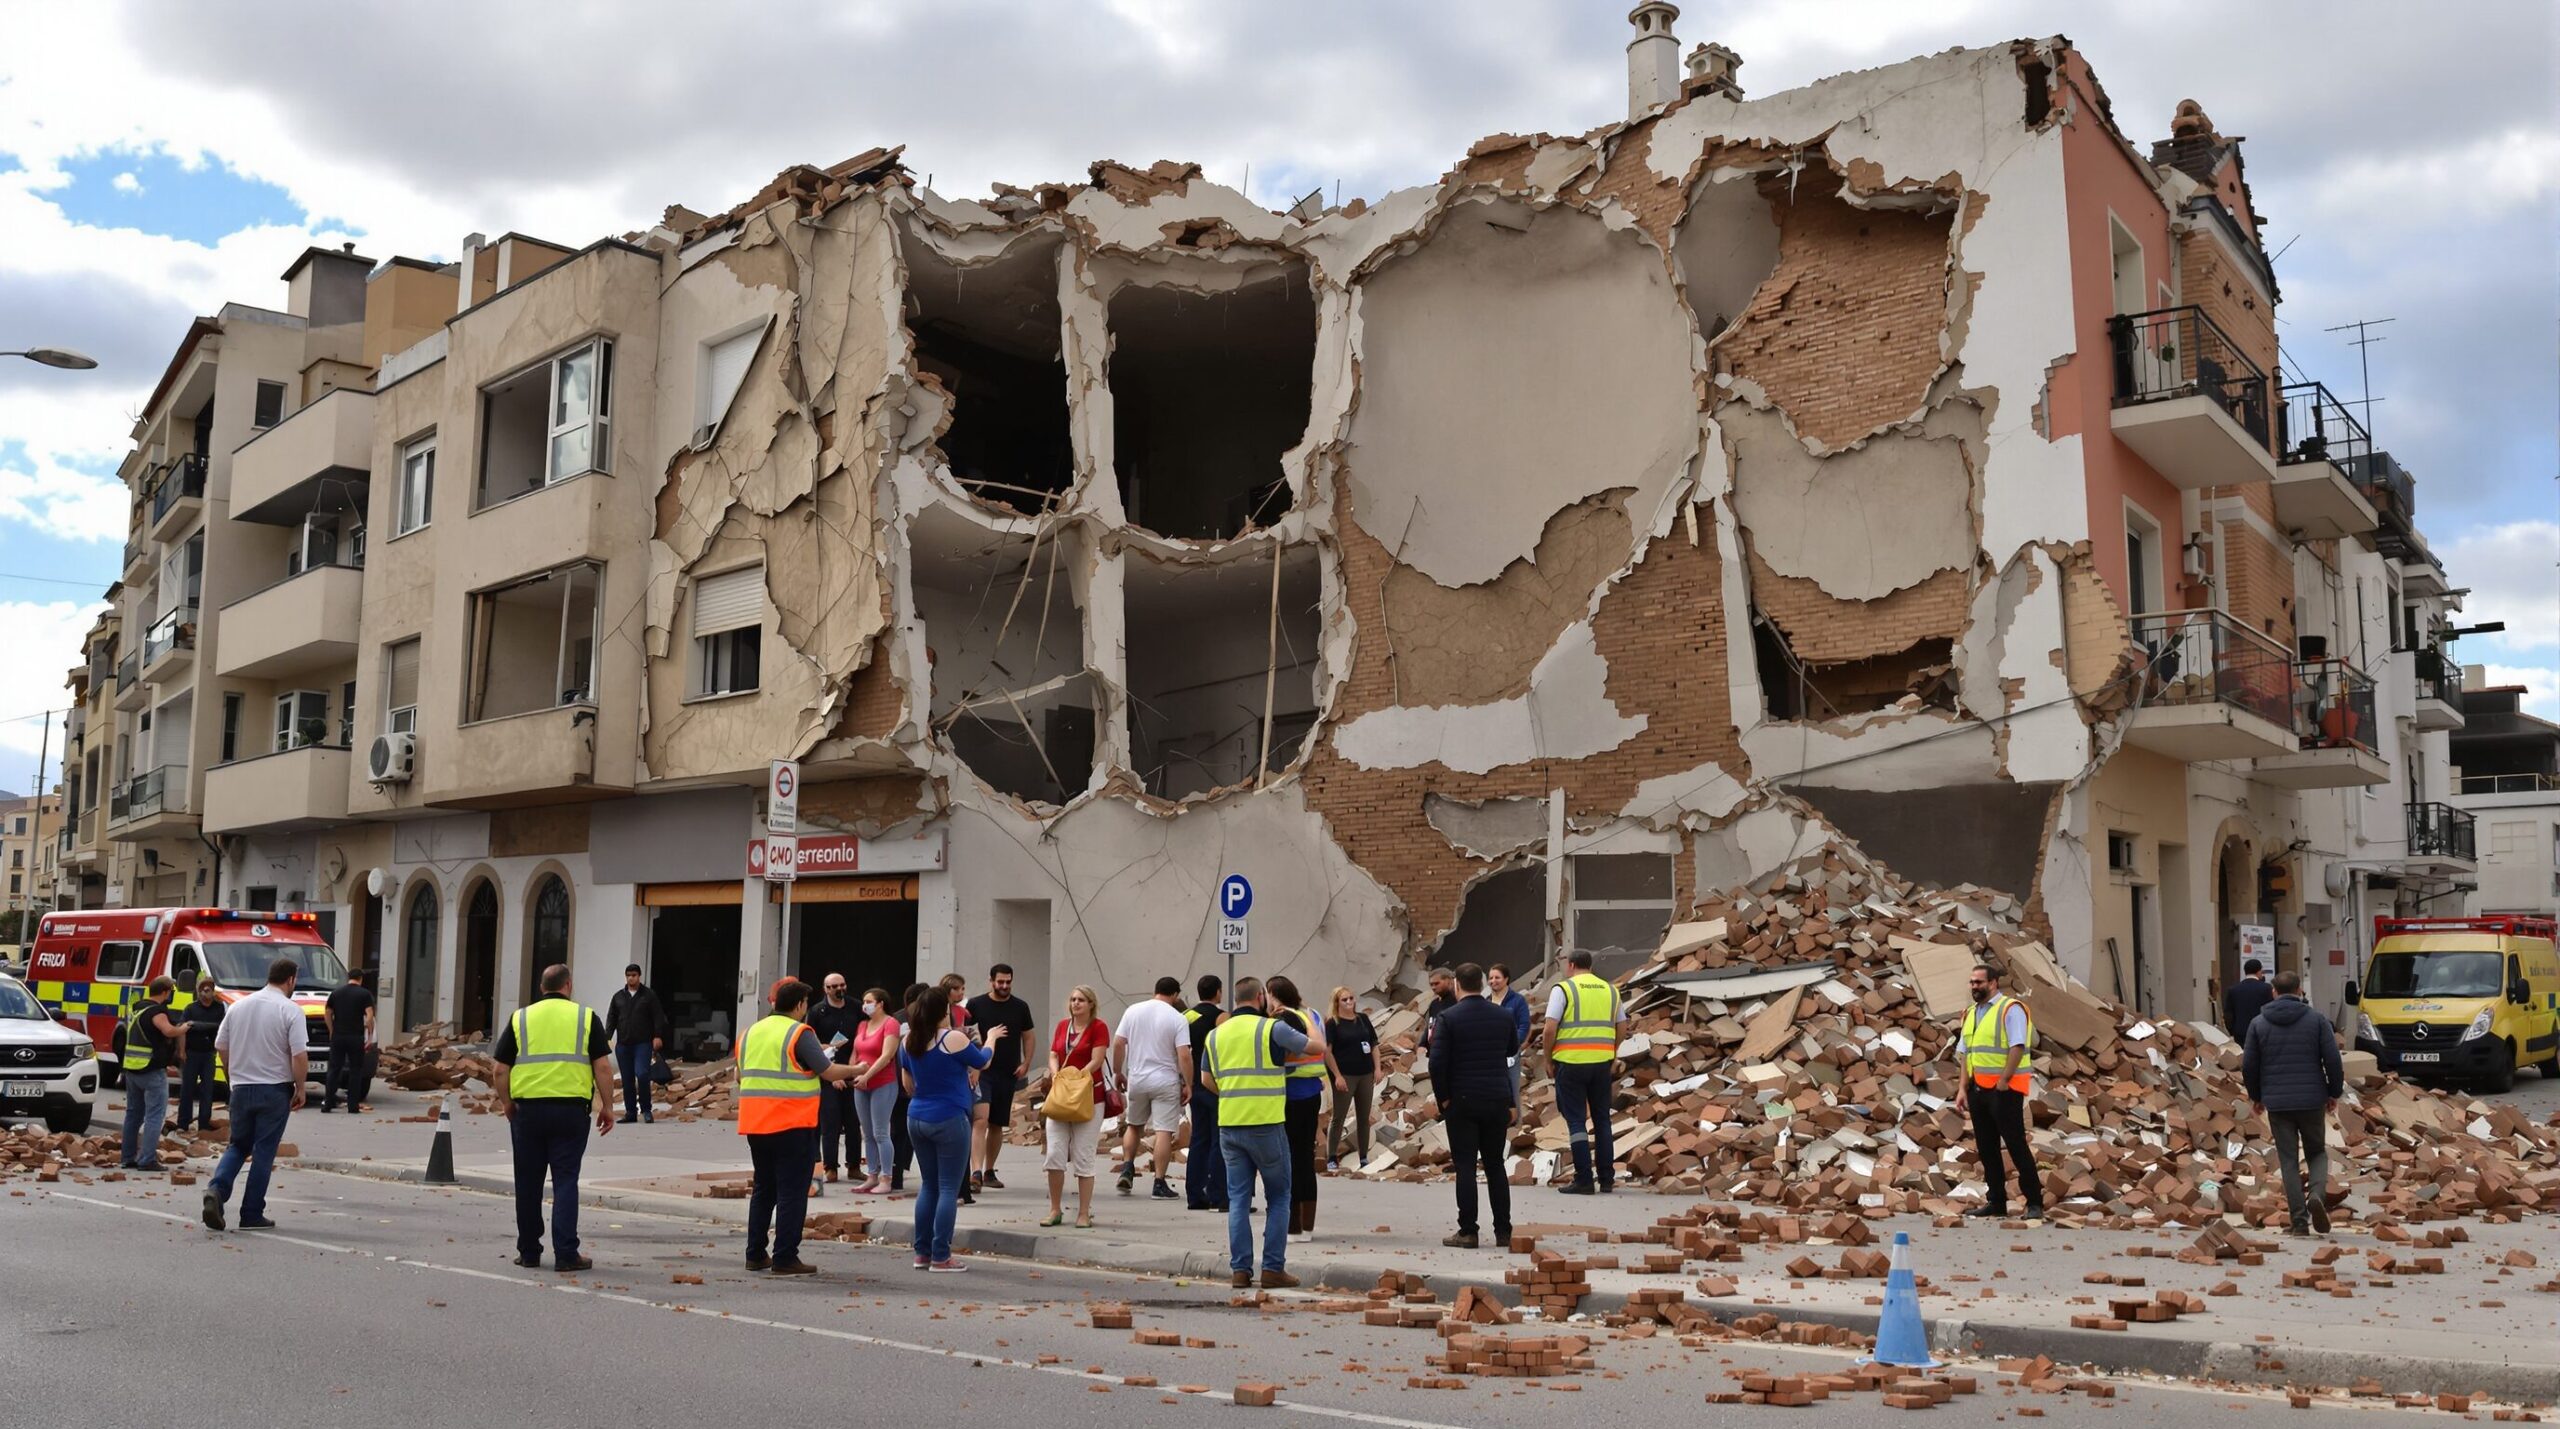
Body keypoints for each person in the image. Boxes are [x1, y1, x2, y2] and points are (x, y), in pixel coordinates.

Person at [738, 978, 872, 1274]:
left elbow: (739, 1075)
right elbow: (827, 1071)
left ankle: (755, 1254)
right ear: (799, 1005)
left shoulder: (750, 1032)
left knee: (764, 1189)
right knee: (792, 1192)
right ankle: (785, 1256)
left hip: (755, 1123)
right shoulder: (800, 1032)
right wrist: (857, 1069)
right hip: (791, 1124)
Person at [493, 964, 616, 1271]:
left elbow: (499, 1069)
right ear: (568, 986)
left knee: (528, 1182)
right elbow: (602, 1067)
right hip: (570, 1112)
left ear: (541, 987)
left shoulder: (521, 1018)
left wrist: (507, 1103)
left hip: (528, 1112)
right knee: (565, 1180)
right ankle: (565, 1253)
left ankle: (530, 1251)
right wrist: (608, 1106)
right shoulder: (586, 1017)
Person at [1206, 976, 1308, 1289]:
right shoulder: (1271, 1028)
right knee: (1278, 1197)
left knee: (1238, 1198)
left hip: (1230, 1125)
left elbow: (1206, 1080)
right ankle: (1273, 1269)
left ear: (1235, 999)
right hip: (1266, 1124)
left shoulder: (1215, 1034)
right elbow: (1309, 1046)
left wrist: (1231, 1093)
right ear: (1261, 996)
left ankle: (1240, 1271)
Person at [203, 958, 310, 1232]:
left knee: (238, 1145)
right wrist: (301, 1088)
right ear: (291, 980)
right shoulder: (290, 1010)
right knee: (263, 1151)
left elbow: (221, 1047)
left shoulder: (238, 1007)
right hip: (274, 1090)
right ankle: (251, 1213)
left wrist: (231, 1077)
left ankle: (216, 1190)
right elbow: (299, 1055)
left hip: (241, 1088)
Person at [903, 985, 1002, 1271]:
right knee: (948, 1188)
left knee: (929, 1185)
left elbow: (906, 1073)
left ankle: (922, 1253)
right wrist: (992, 1038)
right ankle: (941, 1255)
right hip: (949, 1116)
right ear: (944, 1011)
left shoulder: (910, 1039)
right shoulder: (952, 1038)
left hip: (917, 1116)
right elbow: (983, 1060)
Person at [2243, 970, 2343, 1235]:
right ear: (2300, 991)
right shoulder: (2317, 1021)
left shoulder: (2259, 1023)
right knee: (2317, 1152)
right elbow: (2332, 1059)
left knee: (2288, 1159)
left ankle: (2299, 1222)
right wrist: (2334, 1092)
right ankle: (2317, 1196)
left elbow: (2250, 1064)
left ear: (2273, 992)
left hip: (2277, 1102)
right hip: (2312, 1099)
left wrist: (2257, 1096)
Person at [1428, 962, 1519, 1248]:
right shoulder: (1503, 1016)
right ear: (1481, 983)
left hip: (1463, 1100)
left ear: (1456, 985)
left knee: (1465, 1165)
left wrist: (1444, 1098)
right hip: (1496, 1099)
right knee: (1495, 1165)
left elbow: (1436, 1062)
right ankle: (1503, 1231)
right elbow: (1511, 1050)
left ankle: (1468, 1230)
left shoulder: (1449, 1018)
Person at [1960, 965, 2043, 1221]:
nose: (1974, 986)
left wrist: (2005, 1080)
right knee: (1987, 1148)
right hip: (1977, 1089)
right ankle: (1996, 1201)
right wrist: (1962, 1088)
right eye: (1972, 982)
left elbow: (2017, 1046)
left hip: (2003, 1090)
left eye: (1979, 982)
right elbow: (1965, 1054)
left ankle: (2034, 1203)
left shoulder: (2010, 1009)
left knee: (2016, 1145)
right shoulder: (1971, 1013)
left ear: (1993, 983)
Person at [1540, 950, 1623, 1195]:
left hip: (1571, 1062)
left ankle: (1584, 1179)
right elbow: (1622, 1025)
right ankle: (1607, 1179)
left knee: (1577, 1121)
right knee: (1602, 1119)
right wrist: (1613, 1051)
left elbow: (1549, 1029)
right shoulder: (1610, 990)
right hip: (1601, 1063)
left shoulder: (1563, 990)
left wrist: (1548, 1058)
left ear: (1571, 965)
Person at [1265, 976, 1336, 1242]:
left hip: (1289, 1094)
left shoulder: (1281, 1019)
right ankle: (1307, 1227)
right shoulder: (1311, 1014)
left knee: (1289, 1160)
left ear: (1273, 994)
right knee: (1305, 1158)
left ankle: (1292, 1227)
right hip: (1311, 1092)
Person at [1113, 976, 1192, 1200]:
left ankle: (1127, 1167)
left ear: (1155, 990)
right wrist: (1188, 1083)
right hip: (1165, 1080)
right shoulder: (1177, 1018)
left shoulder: (1133, 1011)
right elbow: (1184, 1055)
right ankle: (1159, 1182)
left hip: (1137, 1078)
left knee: (1134, 1125)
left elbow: (1118, 1043)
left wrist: (1118, 1072)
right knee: (1163, 1131)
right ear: (1175, 995)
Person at [1041, 986, 1109, 1228]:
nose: (1075, 1003)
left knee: (1084, 1155)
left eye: (1081, 1000)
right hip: (1061, 1096)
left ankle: (1083, 1212)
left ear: (1091, 1004)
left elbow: (1097, 1059)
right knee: (1055, 1153)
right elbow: (1052, 1053)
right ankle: (1055, 1209)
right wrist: (1055, 1071)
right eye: (1072, 999)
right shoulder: (1062, 1026)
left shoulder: (1098, 1027)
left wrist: (1079, 1075)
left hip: (1088, 1096)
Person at [964, 964, 1035, 1192]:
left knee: (996, 1123)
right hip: (982, 1071)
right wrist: (970, 1065)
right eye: (1000, 982)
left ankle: (989, 1170)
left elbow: (1028, 1036)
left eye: (1008, 982)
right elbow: (965, 1034)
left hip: (1008, 1072)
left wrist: (1026, 1063)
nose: (1004, 986)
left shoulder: (1020, 1007)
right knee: (980, 1119)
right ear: (991, 981)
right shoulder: (975, 1004)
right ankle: (975, 1171)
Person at [118, 976, 185, 1170]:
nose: (171, 994)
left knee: (133, 1115)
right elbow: (168, 1031)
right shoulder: (157, 1011)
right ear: (165, 992)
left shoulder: (138, 1008)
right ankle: (147, 1160)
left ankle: (127, 1157)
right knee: (154, 1116)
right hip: (151, 1069)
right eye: (171, 991)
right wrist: (183, 1028)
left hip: (132, 1068)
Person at [807, 974, 863, 1182]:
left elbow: (862, 1036)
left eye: (841, 985)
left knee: (853, 1123)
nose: (838, 989)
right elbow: (811, 1044)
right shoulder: (817, 1012)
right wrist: (831, 1075)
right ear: (825, 989)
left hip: (852, 1069)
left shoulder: (855, 1007)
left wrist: (852, 1068)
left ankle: (854, 1165)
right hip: (827, 1073)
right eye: (833, 986)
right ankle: (830, 1167)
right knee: (830, 1124)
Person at [850, 987, 903, 1195]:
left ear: (880, 1003)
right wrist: (853, 1072)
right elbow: (856, 1052)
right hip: (861, 1084)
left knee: (881, 1132)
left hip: (883, 1082)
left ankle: (886, 1177)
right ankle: (872, 1175)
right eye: (864, 1001)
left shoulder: (891, 1024)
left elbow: (887, 1055)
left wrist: (867, 1075)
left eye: (869, 1001)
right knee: (868, 1133)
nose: (865, 1005)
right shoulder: (863, 1025)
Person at [1323, 987, 1378, 1171]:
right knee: (1339, 1115)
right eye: (1344, 999)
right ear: (1337, 1003)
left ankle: (1363, 1157)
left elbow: (1374, 1045)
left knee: (1364, 1116)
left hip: (1365, 1072)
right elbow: (1327, 1052)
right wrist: (1337, 1075)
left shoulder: (1362, 1019)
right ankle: (1332, 1156)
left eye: (1351, 998)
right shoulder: (1333, 1023)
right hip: (1345, 1074)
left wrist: (1377, 1068)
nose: (1349, 1002)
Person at [1184, 975, 1227, 1212]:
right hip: (1213, 1082)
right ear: (1218, 993)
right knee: (1218, 1140)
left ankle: (1194, 1194)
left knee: (1198, 1139)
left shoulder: (1186, 1016)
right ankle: (1218, 1194)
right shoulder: (1221, 1018)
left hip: (1194, 1083)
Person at [606, 963, 666, 1126]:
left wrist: (657, 1036)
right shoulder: (618, 996)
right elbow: (611, 1018)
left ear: (639, 976)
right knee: (627, 1079)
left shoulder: (648, 996)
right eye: (628, 975)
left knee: (642, 1074)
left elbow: (658, 1016)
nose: (631, 978)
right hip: (623, 1044)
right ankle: (630, 1112)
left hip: (642, 1043)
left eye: (634, 975)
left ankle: (646, 1110)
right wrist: (607, 1037)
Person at [318, 968, 375, 1114]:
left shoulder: (336, 993)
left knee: (334, 1069)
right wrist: (369, 1037)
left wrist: (332, 1030)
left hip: (338, 1036)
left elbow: (327, 1013)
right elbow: (369, 1016)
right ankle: (352, 1106)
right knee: (356, 1071)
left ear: (348, 978)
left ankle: (328, 1103)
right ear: (361, 979)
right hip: (355, 1037)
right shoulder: (365, 994)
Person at [889, 981, 928, 1191]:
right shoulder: (898, 1019)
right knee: (897, 1131)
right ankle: (895, 1175)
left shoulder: (930, 1021)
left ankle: (904, 1165)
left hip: (921, 1083)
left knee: (914, 1132)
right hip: (899, 1081)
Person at [177, 976, 223, 1132]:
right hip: (191, 1054)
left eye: (209, 987)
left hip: (209, 1054)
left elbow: (221, 1028)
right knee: (187, 1090)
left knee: (207, 1090)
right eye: (203, 987)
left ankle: (204, 1123)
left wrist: (197, 1025)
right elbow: (183, 1029)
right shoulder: (191, 1008)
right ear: (198, 990)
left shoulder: (219, 1008)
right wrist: (182, 1051)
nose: (206, 990)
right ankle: (183, 1123)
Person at [1488, 964, 1532, 1103]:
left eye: (1497, 977)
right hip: (1490, 1054)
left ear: (1506, 979)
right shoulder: (1486, 1002)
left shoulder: (1517, 1001)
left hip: (1510, 1054)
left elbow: (1524, 1025)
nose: (1493, 981)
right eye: (1491, 978)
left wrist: (1512, 1045)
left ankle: (1515, 1123)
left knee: (1511, 1092)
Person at [2224, 959, 2274, 1044]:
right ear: (2259, 971)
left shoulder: (2233, 990)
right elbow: (2271, 1010)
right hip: (2262, 1031)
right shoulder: (2266, 988)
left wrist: (2232, 1030)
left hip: (2240, 1032)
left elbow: (2228, 1014)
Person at [1418, 967, 1458, 1052]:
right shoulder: (1434, 1004)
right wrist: (1422, 1044)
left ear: (1449, 981)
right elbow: (1430, 1025)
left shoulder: (1457, 1002)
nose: (1433, 987)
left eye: (1436, 984)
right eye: (1431, 984)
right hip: (1433, 1051)